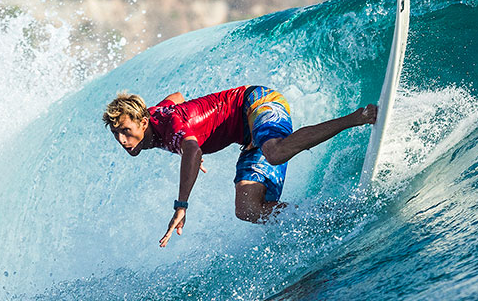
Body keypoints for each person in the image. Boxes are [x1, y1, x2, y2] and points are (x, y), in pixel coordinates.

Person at [103, 86, 377, 246]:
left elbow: (189, 146)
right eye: (117, 134)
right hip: (249, 137)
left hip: (257, 102)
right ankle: (328, 216)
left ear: (142, 123)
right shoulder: (156, 118)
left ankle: (358, 117)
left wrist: (182, 203)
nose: (122, 140)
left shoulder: (173, 128)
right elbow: (176, 97)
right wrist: (194, 147)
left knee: (275, 152)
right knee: (246, 210)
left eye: (126, 131)